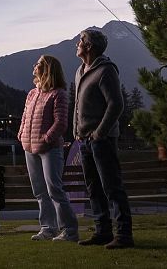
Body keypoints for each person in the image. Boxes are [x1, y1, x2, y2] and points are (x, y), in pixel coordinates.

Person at [74, 28, 134, 248]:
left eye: (81, 40)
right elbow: (78, 107)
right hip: (84, 141)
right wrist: (76, 131)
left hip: (102, 140)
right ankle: (102, 231)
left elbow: (116, 104)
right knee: (93, 188)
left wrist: (100, 132)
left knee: (112, 187)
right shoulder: (80, 71)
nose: (77, 43)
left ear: (89, 46)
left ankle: (124, 235)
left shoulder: (106, 70)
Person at [17, 54, 78, 242]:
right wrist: (21, 134)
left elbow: (61, 122)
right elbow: (25, 117)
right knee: (40, 191)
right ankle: (48, 228)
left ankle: (70, 230)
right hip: (29, 147)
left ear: (47, 69)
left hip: (50, 149)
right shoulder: (32, 93)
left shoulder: (58, 93)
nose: (35, 65)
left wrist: (47, 138)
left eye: (39, 64)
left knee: (55, 190)